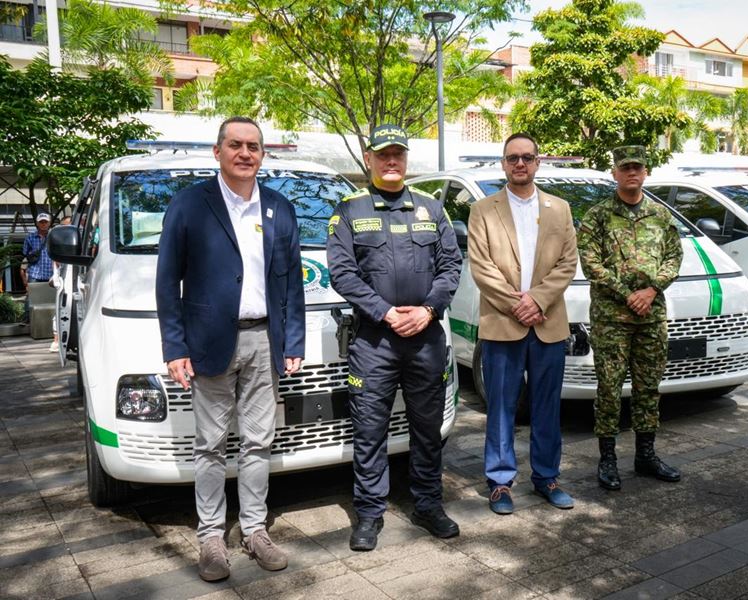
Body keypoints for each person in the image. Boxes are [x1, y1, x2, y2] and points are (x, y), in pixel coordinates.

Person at [156, 116, 305, 581]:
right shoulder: (189, 204)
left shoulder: (279, 206)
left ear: (263, 154)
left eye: (253, 146)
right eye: (236, 145)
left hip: (264, 340)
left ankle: (255, 530)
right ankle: (211, 538)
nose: (245, 153)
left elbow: (292, 282)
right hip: (209, 342)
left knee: (259, 441)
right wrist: (175, 346)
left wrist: (293, 340)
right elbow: (167, 281)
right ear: (217, 151)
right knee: (210, 445)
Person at [327, 124, 462, 551]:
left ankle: (428, 504)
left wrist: (427, 310)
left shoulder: (431, 208)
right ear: (369, 159)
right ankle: (369, 513)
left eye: (398, 154)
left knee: (427, 429)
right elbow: (342, 273)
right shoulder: (349, 210)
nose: (391, 161)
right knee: (370, 430)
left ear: (406, 159)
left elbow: (451, 267)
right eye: (383, 154)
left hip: (425, 338)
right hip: (374, 341)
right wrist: (384, 312)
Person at [466, 133, 578, 514]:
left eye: (527, 157)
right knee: (501, 406)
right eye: (512, 157)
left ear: (537, 163)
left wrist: (538, 300)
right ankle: (500, 482)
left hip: (548, 322)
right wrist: (519, 305)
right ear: (503, 163)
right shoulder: (483, 210)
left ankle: (547, 477)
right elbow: (481, 267)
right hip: (503, 323)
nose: (520, 163)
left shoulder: (560, 209)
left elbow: (568, 263)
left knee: (547, 406)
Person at [577, 145, 684, 492]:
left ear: (646, 172)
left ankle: (645, 455)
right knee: (609, 388)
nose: (632, 173)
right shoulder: (597, 216)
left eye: (637, 167)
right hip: (611, 318)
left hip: (651, 315)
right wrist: (628, 294)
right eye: (625, 168)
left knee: (648, 387)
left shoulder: (660, 214)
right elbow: (591, 263)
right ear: (615, 173)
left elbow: (674, 256)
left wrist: (651, 290)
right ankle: (607, 459)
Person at [20, 212, 53, 323]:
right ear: (37, 223)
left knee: (51, 297)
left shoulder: (53, 236)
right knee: (31, 296)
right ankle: (26, 319)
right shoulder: (30, 237)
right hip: (35, 272)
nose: (43, 224)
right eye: (41, 222)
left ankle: (50, 320)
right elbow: (25, 253)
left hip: (51, 272)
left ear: (49, 223)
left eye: (45, 222)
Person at [49, 216, 72, 352]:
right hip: (64, 281)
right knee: (61, 310)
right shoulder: (58, 242)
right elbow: (57, 262)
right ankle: (56, 340)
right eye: (65, 226)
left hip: (78, 279)